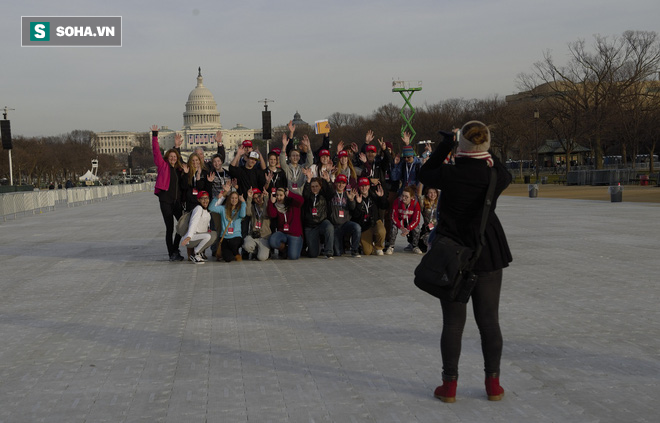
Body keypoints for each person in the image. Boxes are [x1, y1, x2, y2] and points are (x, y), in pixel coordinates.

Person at [417, 121, 512, 403]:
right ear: (485, 145)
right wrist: (485, 150)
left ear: (461, 145)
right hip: (488, 249)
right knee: (489, 321)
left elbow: (424, 172)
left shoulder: (449, 173)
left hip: (453, 249)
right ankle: (493, 384)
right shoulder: (494, 175)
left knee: (453, 323)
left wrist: (446, 145)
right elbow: (504, 172)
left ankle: (450, 386)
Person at [151, 125, 185, 261]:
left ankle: (175, 248)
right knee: (170, 228)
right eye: (171, 156)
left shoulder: (179, 169)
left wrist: (177, 147)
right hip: (165, 201)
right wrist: (154, 135)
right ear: (167, 157)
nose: (173, 159)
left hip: (176, 202)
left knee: (183, 225)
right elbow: (155, 152)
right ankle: (172, 253)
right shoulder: (162, 165)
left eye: (175, 157)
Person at [325, 173, 361, 257]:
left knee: (357, 227)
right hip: (335, 225)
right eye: (339, 183)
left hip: (345, 224)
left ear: (345, 184)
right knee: (338, 253)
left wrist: (351, 200)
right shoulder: (331, 194)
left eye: (343, 183)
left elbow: (352, 208)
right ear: (336, 183)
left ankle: (355, 250)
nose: (341, 185)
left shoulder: (347, 194)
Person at [301, 172, 334, 259]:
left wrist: (328, 180)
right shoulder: (308, 197)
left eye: (316, 186)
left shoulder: (324, 195)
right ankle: (316, 244)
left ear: (320, 187)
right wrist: (308, 181)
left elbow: (331, 193)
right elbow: (305, 194)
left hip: (322, 222)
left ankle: (329, 252)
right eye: (312, 186)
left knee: (329, 227)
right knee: (313, 254)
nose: (314, 188)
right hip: (310, 226)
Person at [352, 177, 388, 256]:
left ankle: (379, 247)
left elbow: (383, 206)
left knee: (381, 231)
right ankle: (368, 245)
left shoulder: (374, 195)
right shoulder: (356, 197)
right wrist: (358, 204)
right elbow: (355, 216)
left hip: (375, 222)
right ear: (359, 187)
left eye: (365, 186)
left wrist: (381, 197)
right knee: (367, 252)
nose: (364, 188)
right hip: (364, 226)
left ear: (368, 187)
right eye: (362, 186)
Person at [209, 190, 246, 262]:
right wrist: (217, 198)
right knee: (228, 258)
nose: (234, 200)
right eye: (232, 198)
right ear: (229, 199)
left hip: (235, 236)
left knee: (233, 243)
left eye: (236, 198)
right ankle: (233, 253)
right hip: (225, 237)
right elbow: (211, 208)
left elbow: (243, 215)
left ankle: (235, 252)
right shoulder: (223, 209)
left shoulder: (239, 209)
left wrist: (243, 202)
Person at [180, 191, 217, 264]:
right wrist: (189, 236)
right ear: (198, 200)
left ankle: (198, 254)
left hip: (199, 236)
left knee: (214, 235)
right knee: (209, 236)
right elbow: (193, 223)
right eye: (202, 198)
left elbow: (217, 204)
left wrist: (224, 193)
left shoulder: (206, 210)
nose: (205, 200)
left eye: (206, 198)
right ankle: (195, 253)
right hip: (191, 238)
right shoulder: (198, 209)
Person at [267, 188, 304, 260]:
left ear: (285, 195)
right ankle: (285, 249)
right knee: (272, 241)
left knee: (293, 256)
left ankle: (294, 247)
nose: (278, 197)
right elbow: (272, 214)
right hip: (283, 232)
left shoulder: (293, 204)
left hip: (294, 234)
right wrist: (271, 202)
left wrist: (290, 194)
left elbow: (301, 200)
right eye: (277, 195)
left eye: (281, 195)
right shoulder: (276, 205)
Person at [386, 186, 422, 255]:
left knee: (417, 228)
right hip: (400, 218)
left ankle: (415, 246)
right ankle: (391, 246)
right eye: (402, 195)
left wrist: (408, 229)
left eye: (406, 197)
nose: (403, 198)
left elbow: (416, 220)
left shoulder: (415, 204)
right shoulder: (397, 202)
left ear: (412, 197)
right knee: (393, 227)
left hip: (409, 220)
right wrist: (401, 227)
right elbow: (394, 217)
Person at [243, 188, 273, 261]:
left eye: (259, 196)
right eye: (255, 198)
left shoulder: (267, 206)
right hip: (254, 236)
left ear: (262, 195)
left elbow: (266, 213)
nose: (258, 199)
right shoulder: (253, 208)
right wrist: (249, 198)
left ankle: (265, 252)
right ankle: (256, 251)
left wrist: (266, 198)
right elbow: (247, 213)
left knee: (261, 258)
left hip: (264, 237)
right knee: (246, 245)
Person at [417, 187, 439, 252]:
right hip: (428, 229)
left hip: (438, 228)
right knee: (429, 239)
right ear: (427, 194)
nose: (433, 195)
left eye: (434, 193)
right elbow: (419, 195)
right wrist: (421, 182)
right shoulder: (424, 203)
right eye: (430, 193)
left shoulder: (439, 203)